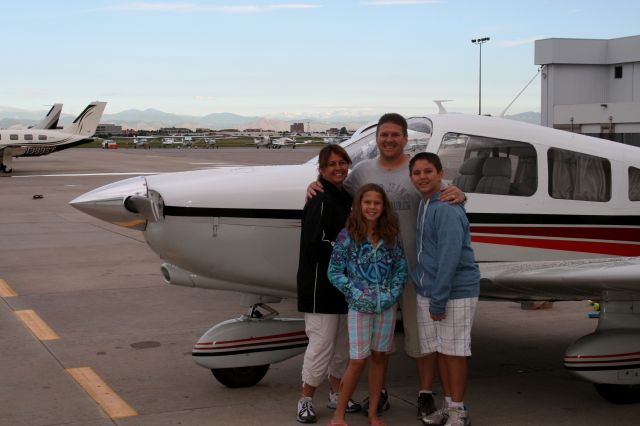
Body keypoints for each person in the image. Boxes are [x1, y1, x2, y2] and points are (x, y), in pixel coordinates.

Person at [307, 113, 466, 419]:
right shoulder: (363, 170)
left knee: (421, 338)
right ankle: (378, 393)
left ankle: (423, 393)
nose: (389, 140)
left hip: (416, 268)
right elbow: (338, 188)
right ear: (377, 138)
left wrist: (462, 193)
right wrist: (315, 185)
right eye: (384, 135)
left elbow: (446, 193)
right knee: (381, 344)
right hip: (377, 275)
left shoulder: (417, 169)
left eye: (395, 135)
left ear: (405, 138)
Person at [409, 152, 480, 426]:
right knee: (440, 350)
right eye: (417, 173)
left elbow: (449, 257)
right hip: (430, 290)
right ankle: (449, 406)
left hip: (453, 291)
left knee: (454, 353)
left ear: (440, 174)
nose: (422, 177)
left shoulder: (447, 207)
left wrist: (438, 299)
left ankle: (459, 411)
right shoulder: (427, 203)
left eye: (428, 171)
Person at [327, 184, 407, 426]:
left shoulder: (391, 235)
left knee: (380, 357)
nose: (372, 207)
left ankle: (373, 413)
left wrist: (392, 294)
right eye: (367, 202)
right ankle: (338, 415)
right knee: (358, 360)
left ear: (384, 207)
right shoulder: (347, 235)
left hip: (386, 308)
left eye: (377, 203)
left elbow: (400, 269)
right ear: (359, 205)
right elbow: (334, 272)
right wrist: (356, 294)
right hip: (360, 308)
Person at [296, 145, 362, 423]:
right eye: (331, 164)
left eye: (342, 163)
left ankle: (336, 394)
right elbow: (314, 244)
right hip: (319, 287)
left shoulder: (345, 196)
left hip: (343, 286)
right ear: (321, 170)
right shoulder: (320, 198)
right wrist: (348, 254)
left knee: (343, 345)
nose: (338, 168)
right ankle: (306, 399)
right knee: (322, 343)